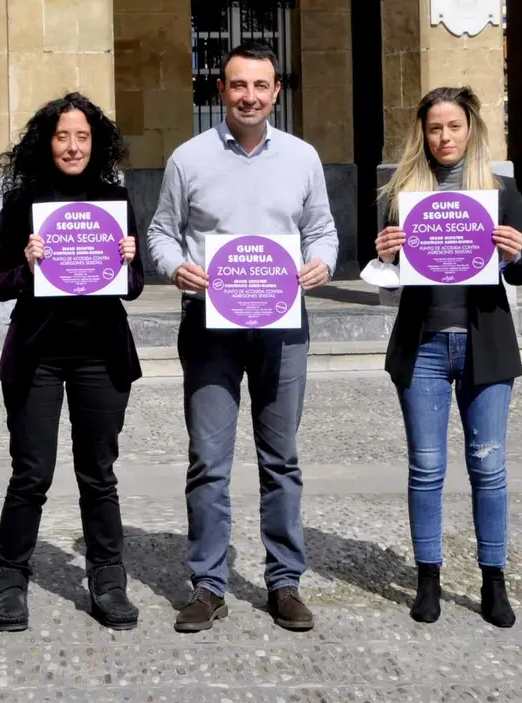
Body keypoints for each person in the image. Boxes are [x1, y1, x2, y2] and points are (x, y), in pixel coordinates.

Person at [145, 41, 338, 634]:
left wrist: (322, 265)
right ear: (221, 91)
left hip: (283, 329)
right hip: (209, 328)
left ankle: (284, 583)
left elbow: (323, 231)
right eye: (237, 85)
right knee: (208, 461)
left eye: (261, 85)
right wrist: (175, 266)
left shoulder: (303, 157)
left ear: (276, 91)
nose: (249, 96)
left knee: (282, 461)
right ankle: (207, 585)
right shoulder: (188, 158)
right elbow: (160, 233)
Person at [366, 86, 522, 628]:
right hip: (424, 346)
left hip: (486, 343)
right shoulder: (401, 193)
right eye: (435, 128)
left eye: (454, 126)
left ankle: (493, 580)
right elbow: (388, 287)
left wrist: (514, 253)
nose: (444, 137)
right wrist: (385, 257)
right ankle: (428, 578)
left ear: (470, 129)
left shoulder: (500, 190)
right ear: (423, 132)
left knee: (488, 467)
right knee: (427, 468)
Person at [0, 93, 145, 633]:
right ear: (45, 142)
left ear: (95, 143)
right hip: (38, 356)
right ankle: (8, 577)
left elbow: (136, 286)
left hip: (101, 354)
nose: (73, 146)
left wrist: (127, 262)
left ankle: (107, 578)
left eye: (82, 136)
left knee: (98, 474)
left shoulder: (115, 199)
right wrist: (27, 265)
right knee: (31, 473)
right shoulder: (23, 203)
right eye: (62, 136)